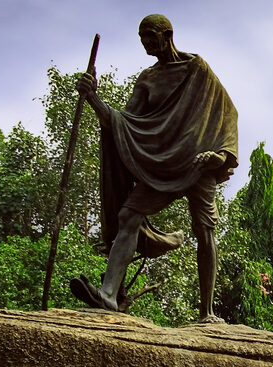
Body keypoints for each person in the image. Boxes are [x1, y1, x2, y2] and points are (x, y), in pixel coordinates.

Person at [71, 14, 238, 322]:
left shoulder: (197, 69)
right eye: (141, 38)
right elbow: (123, 122)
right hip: (162, 165)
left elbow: (227, 113)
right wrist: (94, 98)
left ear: (168, 35)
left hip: (198, 162)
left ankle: (207, 312)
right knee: (128, 215)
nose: (145, 43)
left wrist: (220, 156)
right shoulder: (147, 79)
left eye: (150, 36)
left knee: (205, 230)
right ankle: (108, 295)